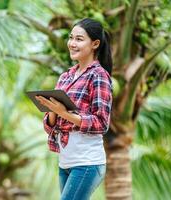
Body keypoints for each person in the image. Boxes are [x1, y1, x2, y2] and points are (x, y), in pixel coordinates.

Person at [35, 18, 113, 200]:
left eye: (79, 39)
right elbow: (50, 127)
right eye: (71, 38)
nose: (72, 43)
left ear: (95, 44)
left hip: (88, 163)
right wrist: (52, 109)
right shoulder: (65, 77)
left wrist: (64, 112)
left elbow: (101, 123)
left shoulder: (99, 76)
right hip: (65, 162)